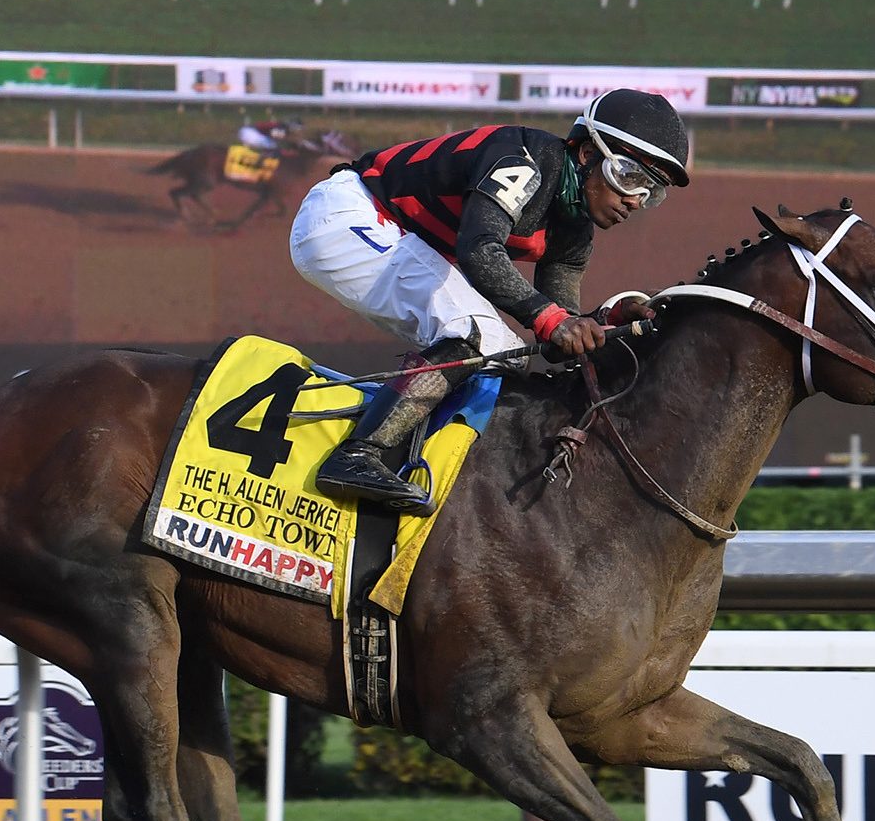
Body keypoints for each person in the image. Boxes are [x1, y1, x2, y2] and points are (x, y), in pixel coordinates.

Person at [288, 88, 689, 512]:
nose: (634, 200)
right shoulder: (524, 160)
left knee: (506, 354)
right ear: (588, 153)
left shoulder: (574, 231)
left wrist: (602, 321)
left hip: (394, 235)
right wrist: (555, 322)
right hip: (349, 216)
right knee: (474, 332)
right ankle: (356, 455)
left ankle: (417, 455)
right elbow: (479, 250)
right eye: (629, 177)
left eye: (651, 191)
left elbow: (556, 336)